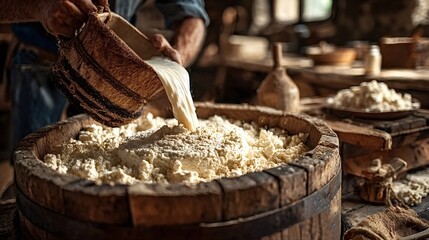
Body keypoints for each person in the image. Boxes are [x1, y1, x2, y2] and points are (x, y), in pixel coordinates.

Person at [0, 0, 209, 160]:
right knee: (33, 164)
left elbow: (193, 15)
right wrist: (40, 6)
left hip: (117, 80)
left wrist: (177, 55)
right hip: (41, 65)